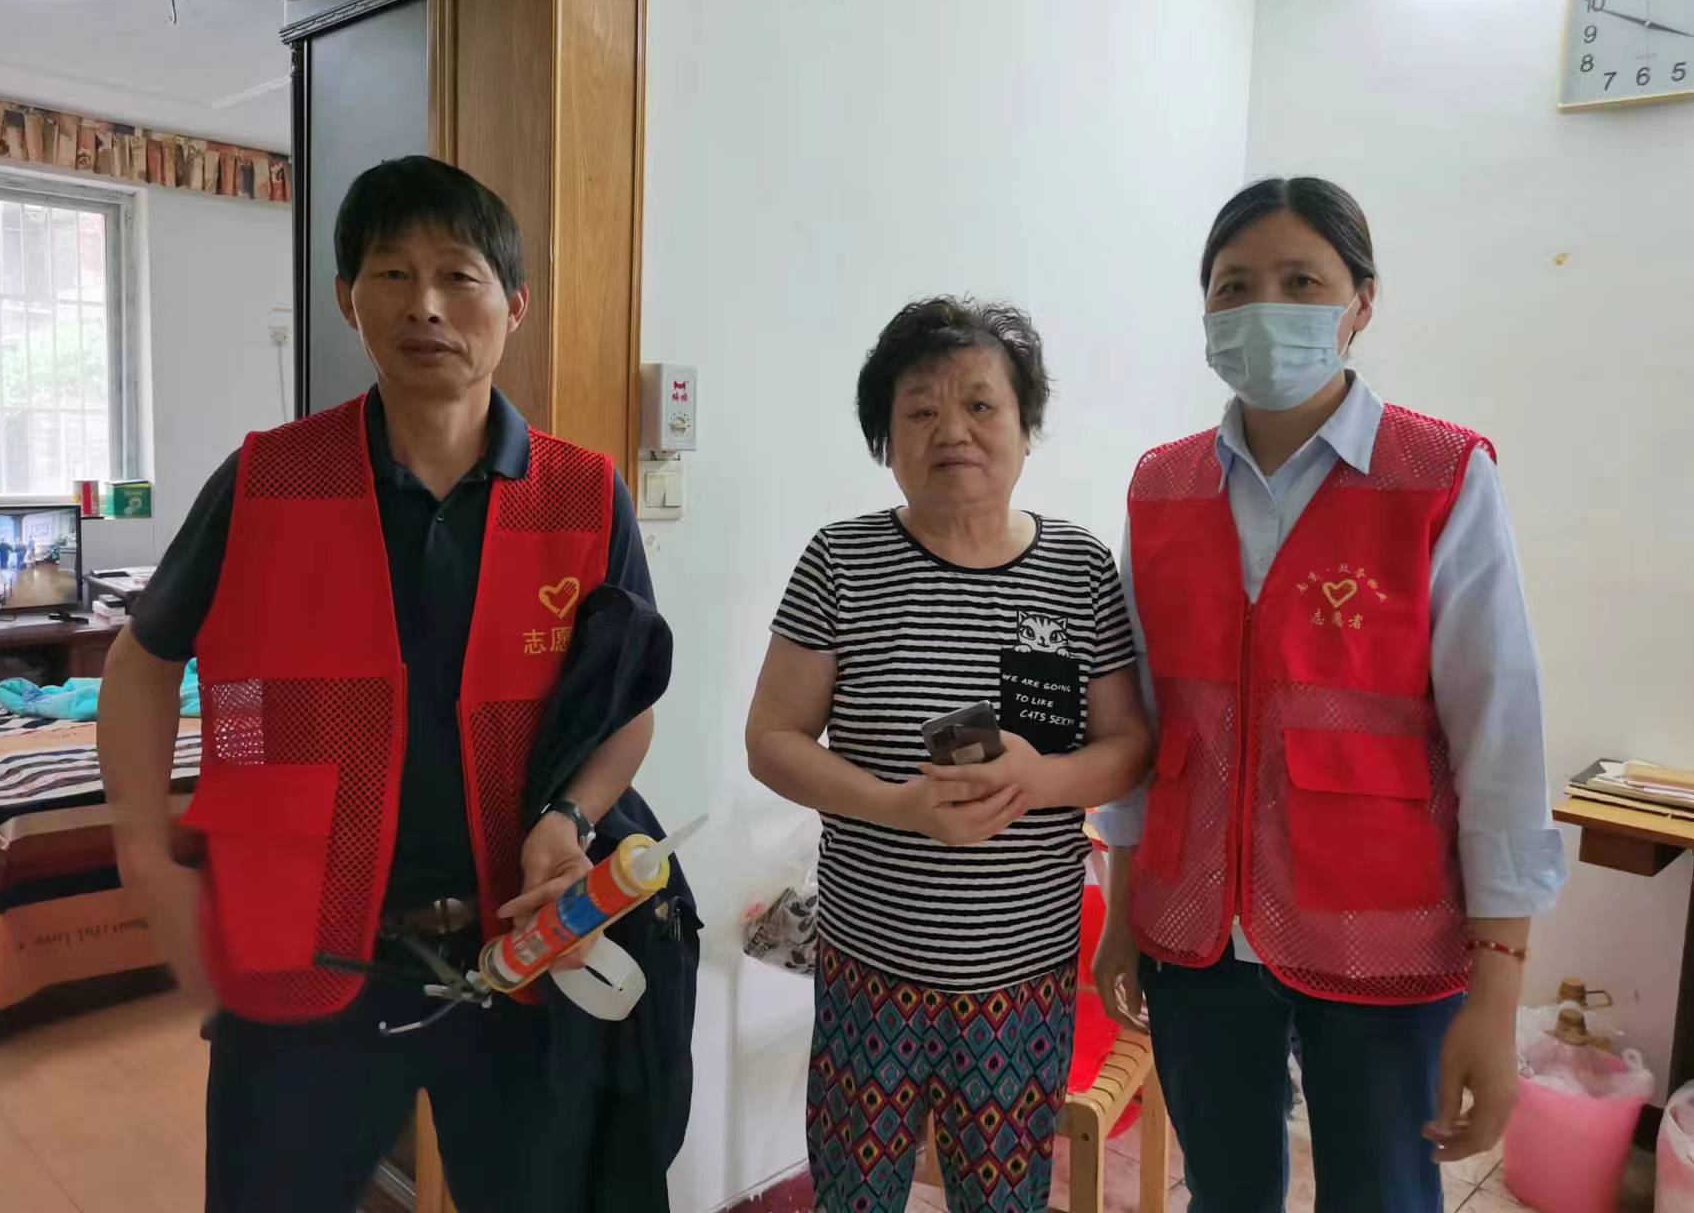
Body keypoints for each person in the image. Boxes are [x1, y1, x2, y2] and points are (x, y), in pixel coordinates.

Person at [99, 156, 660, 1213]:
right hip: (298, 950)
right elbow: (141, 663)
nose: (425, 305)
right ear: (347, 299)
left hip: (518, 954)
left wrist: (569, 817)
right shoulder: (267, 477)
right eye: (392, 274)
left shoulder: (584, 495)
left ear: (514, 305)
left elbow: (624, 708)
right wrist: (140, 845)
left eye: (458, 276)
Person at [1089, 177, 1567, 1213]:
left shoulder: (1439, 475)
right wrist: (1122, 910)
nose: (1264, 306)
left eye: (1300, 280)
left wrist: (1497, 995)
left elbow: (1500, 737)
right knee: (1223, 1193)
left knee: (1382, 1195)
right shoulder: (1162, 486)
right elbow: (1141, 723)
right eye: (1233, 285)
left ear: (1361, 302)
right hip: (1194, 930)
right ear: (1205, 310)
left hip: (1384, 936)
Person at [745, 297, 1154, 1213]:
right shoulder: (842, 562)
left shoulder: (1079, 570)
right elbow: (771, 741)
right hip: (869, 966)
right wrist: (895, 805)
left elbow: (1129, 748)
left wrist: (1041, 778)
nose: (953, 431)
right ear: (885, 440)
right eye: (921, 410)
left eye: (980, 405)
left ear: (1025, 426)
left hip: (1022, 975)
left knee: (1002, 1199)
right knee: (855, 1195)